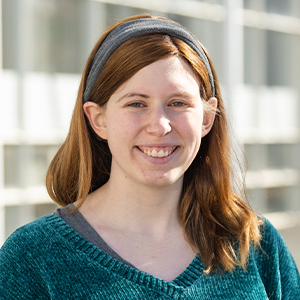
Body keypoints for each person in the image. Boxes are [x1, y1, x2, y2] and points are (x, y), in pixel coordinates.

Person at [0, 14, 299, 299]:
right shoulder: (32, 257)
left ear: (206, 118)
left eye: (178, 103)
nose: (159, 125)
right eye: (136, 104)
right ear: (98, 119)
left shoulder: (256, 245)